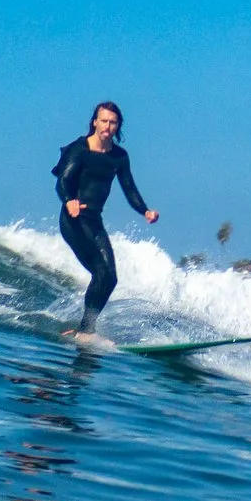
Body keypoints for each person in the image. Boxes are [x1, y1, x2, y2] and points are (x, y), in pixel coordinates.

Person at [52, 101, 156, 339]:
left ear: (118, 125)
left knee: (110, 278)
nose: (108, 126)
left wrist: (145, 211)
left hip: (94, 221)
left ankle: (86, 328)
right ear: (94, 122)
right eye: (104, 121)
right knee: (101, 272)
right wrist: (69, 200)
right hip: (73, 221)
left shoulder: (119, 157)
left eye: (113, 122)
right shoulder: (79, 149)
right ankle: (85, 330)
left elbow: (129, 189)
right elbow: (63, 182)